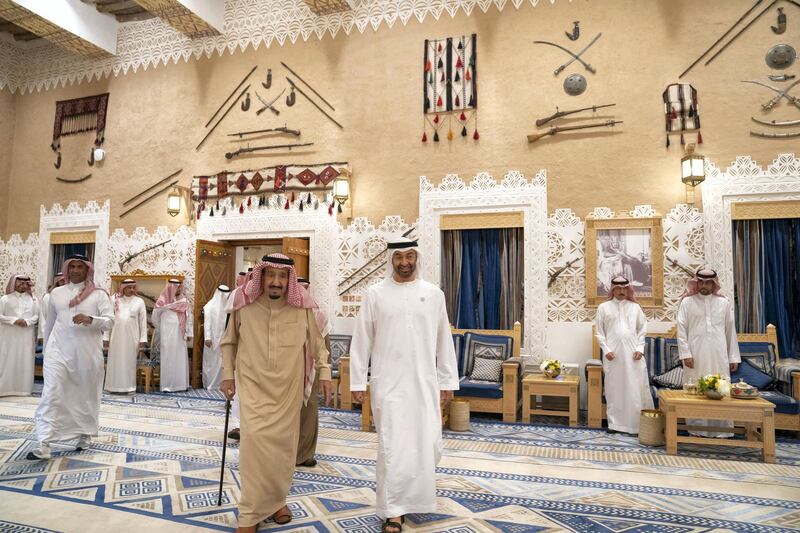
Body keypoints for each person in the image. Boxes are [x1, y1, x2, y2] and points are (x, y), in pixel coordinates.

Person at [349, 237, 459, 533]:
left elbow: (443, 340)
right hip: (388, 383)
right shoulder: (375, 294)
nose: (405, 263)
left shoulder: (434, 294)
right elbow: (362, 340)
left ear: (417, 258)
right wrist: (358, 380)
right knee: (393, 446)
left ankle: (417, 501)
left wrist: (447, 380)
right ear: (391, 261)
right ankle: (393, 510)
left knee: (424, 442)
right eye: (399, 257)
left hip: (424, 383)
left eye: (410, 256)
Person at [220, 254, 331, 532]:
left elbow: (318, 344)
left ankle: (277, 500)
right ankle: (250, 514)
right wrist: (227, 375)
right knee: (254, 447)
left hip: (288, 391)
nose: (277, 282)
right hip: (254, 387)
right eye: (271, 275)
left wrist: (326, 372)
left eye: (283, 277)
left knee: (283, 451)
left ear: (289, 280)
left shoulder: (301, 307)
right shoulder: (243, 303)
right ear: (262, 276)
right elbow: (229, 341)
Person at [27, 254, 114, 460]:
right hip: (58, 351)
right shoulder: (56, 293)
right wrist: (47, 351)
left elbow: (110, 322)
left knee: (84, 396)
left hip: (86, 354)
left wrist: (90, 319)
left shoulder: (99, 295)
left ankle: (84, 434)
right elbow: (50, 325)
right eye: (72, 266)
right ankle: (44, 442)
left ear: (87, 270)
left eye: (80, 267)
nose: (75, 270)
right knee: (52, 392)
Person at [677, 266, 740, 437]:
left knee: (720, 388)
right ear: (696, 283)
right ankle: (697, 429)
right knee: (696, 388)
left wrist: (733, 356)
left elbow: (729, 330)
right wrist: (686, 354)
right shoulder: (687, 302)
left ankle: (722, 430)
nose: (704, 285)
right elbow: (681, 329)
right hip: (695, 355)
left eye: (708, 283)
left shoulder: (724, 303)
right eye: (701, 282)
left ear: (714, 284)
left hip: (719, 353)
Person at [594, 276, 653, 435]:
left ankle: (634, 426)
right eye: (617, 289)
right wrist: (606, 350)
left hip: (633, 355)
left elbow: (642, 329)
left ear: (628, 289)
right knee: (614, 390)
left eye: (624, 288)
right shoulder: (603, 307)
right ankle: (615, 424)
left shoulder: (635, 308)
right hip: (613, 356)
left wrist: (640, 348)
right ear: (612, 289)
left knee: (633, 390)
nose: (621, 291)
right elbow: (599, 333)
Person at [295, 277, 332, 468]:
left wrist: (323, 371)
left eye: (305, 288)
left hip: (312, 371)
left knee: (309, 411)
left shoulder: (319, 314)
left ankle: (305, 454)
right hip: (289, 371)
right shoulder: (287, 312)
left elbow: (325, 346)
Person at [104, 279, 148, 393]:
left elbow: (143, 322)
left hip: (132, 338)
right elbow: (108, 319)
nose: (132, 289)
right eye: (129, 287)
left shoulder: (139, 301)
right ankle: (112, 387)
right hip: (116, 337)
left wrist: (143, 339)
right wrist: (106, 337)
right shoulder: (114, 299)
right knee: (115, 362)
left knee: (129, 362)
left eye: (134, 287)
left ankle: (129, 387)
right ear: (123, 288)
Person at [0, 275, 39, 397]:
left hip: (26, 335)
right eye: (19, 282)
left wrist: (27, 322)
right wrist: (14, 320)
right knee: (7, 359)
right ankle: (5, 388)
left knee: (25, 359)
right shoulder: (5, 299)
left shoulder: (34, 300)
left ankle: (24, 389)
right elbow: (0, 316)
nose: (22, 285)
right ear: (14, 283)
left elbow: (37, 316)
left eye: (25, 282)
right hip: (8, 335)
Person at [152, 279, 192, 392]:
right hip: (167, 335)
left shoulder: (184, 301)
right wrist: (162, 329)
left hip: (180, 334)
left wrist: (189, 332)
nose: (179, 289)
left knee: (179, 358)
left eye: (180, 287)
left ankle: (180, 385)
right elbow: (155, 318)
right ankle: (168, 385)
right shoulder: (162, 301)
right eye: (176, 287)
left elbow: (189, 317)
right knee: (168, 358)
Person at [202, 284, 230, 390]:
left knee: (221, 362)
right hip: (212, 340)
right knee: (211, 363)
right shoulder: (210, 306)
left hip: (223, 338)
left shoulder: (228, 307)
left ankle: (219, 384)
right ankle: (210, 383)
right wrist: (207, 337)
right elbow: (207, 322)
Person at [38, 272, 64, 345]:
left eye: (66, 280)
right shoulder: (48, 297)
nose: (64, 282)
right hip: (51, 332)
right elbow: (43, 316)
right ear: (57, 282)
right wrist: (42, 335)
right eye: (62, 281)